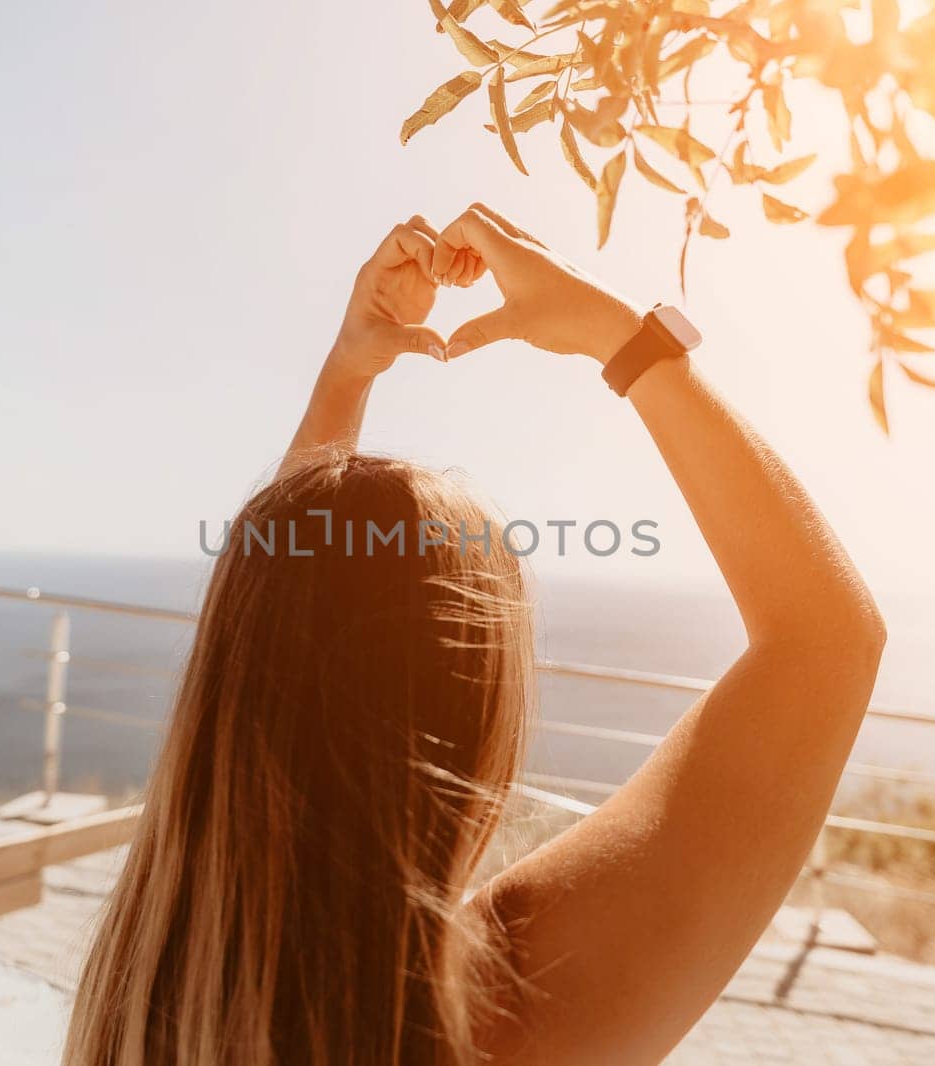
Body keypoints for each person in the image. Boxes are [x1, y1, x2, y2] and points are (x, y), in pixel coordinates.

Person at [64, 204, 885, 1065]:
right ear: (474, 704)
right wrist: (618, 336)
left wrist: (347, 374)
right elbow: (826, 641)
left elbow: (289, 616)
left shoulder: (144, 985)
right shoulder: (502, 1007)